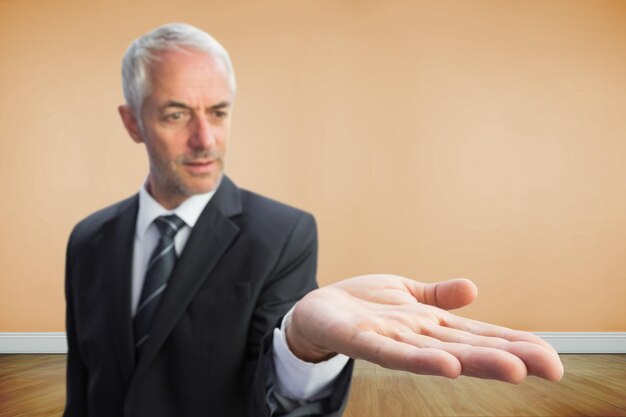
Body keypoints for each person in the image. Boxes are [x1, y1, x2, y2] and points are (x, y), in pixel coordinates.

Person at [64, 22, 564, 417]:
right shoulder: (88, 239)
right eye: (176, 115)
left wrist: (304, 348)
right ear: (132, 122)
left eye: (218, 112)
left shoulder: (281, 234)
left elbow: (272, 393)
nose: (205, 139)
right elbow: (85, 388)